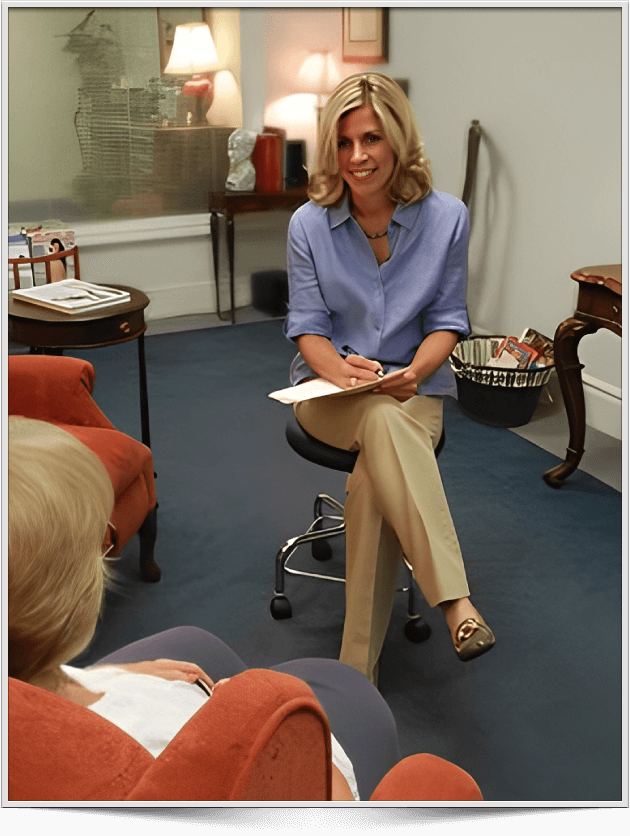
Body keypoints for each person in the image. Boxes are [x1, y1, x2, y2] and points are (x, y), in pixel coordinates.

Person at [7, 416, 405, 801]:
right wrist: (276, 733)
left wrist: (93, 680)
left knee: (192, 642)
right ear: (66, 597)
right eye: (100, 548)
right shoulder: (144, 759)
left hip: (61, 685)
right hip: (265, 751)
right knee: (350, 690)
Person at [284, 73, 495, 686]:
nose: (357, 158)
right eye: (344, 142)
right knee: (375, 416)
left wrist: (414, 372)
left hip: (414, 391)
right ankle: (454, 598)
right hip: (327, 394)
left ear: (398, 138)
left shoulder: (446, 218)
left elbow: (448, 321)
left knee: (375, 471)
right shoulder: (308, 224)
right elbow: (307, 327)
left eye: (371, 138)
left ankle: (356, 674)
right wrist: (340, 371)